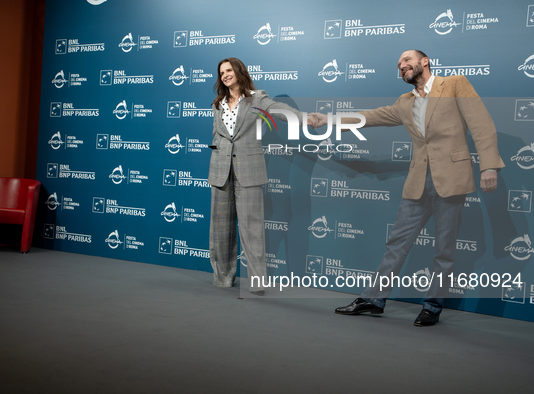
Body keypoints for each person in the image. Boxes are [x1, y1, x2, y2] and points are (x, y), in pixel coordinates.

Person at [311, 50, 505, 325]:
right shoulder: (404, 102)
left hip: (451, 180)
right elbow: (369, 117)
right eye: (399, 65)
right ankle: (373, 298)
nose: (402, 66)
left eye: (406, 60)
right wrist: (327, 120)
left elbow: (482, 125)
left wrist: (488, 166)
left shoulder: (454, 84)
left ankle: (432, 306)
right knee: (397, 244)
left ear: (424, 61)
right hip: (417, 182)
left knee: (444, 249)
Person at [208, 57, 315, 295]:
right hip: (220, 172)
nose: (225, 75)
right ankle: (223, 277)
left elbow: (279, 110)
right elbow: (217, 135)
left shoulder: (257, 98)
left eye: (229, 70)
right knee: (220, 230)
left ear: (239, 71)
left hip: (249, 170)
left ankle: (256, 282)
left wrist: (302, 117)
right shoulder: (218, 104)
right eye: (221, 72)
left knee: (252, 228)